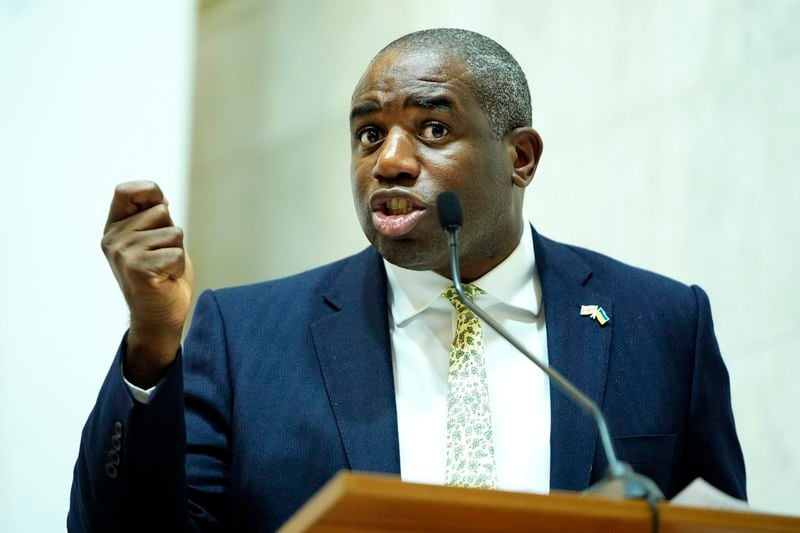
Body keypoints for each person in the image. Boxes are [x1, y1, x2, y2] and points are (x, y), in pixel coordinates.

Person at [68, 28, 746, 531]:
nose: (389, 160)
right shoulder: (245, 338)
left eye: (431, 127)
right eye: (369, 134)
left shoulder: (661, 324)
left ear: (520, 157)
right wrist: (153, 342)